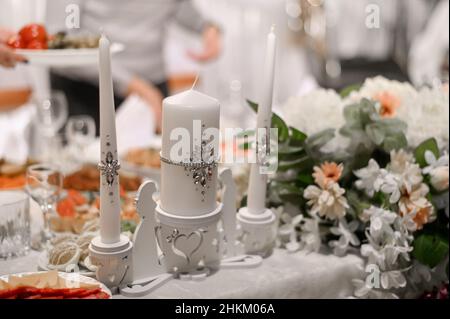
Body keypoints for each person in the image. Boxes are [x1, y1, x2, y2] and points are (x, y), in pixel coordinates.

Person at [49, 0, 222, 134]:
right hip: (88, 93)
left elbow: (177, 4)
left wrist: (206, 28)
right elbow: (59, 40)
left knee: (152, 169)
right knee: (87, 173)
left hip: (152, 85)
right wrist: (134, 85)